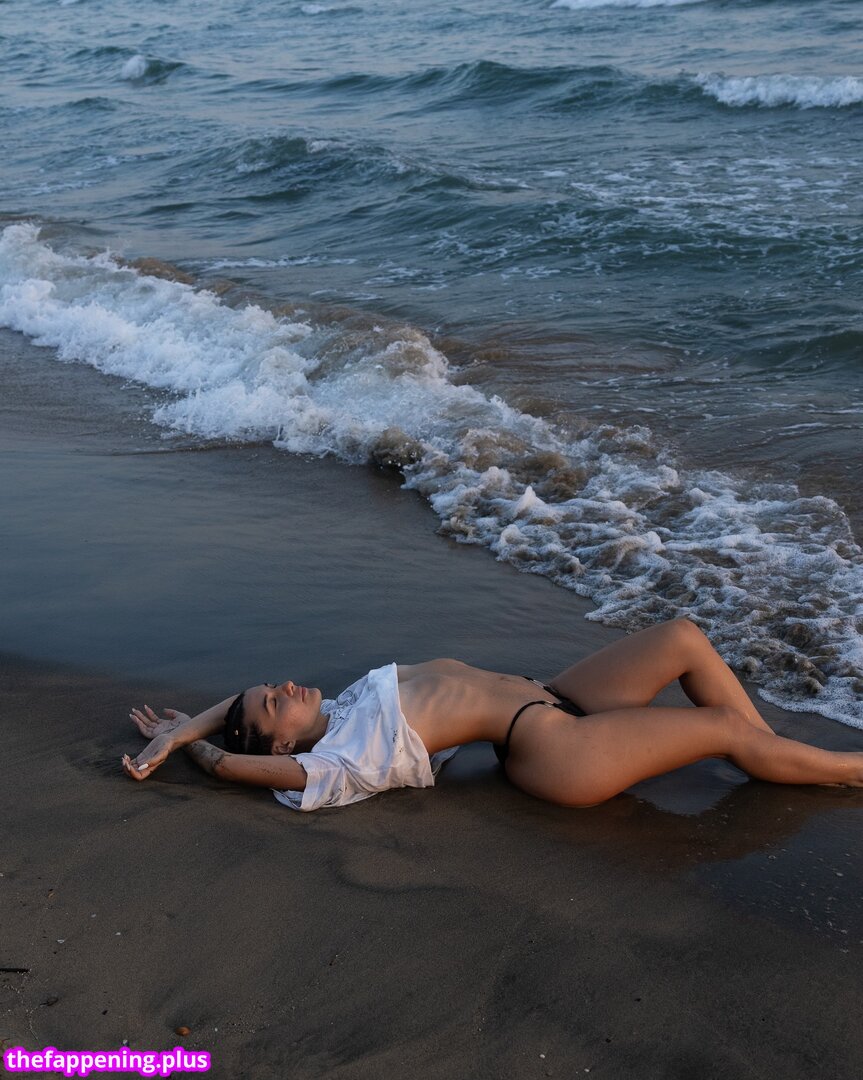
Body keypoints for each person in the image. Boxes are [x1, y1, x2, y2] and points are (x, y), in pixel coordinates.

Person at [122, 618, 863, 811]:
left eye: (272, 686)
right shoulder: (335, 763)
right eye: (273, 702)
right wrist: (196, 753)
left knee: (682, 639)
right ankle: (844, 768)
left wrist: (183, 726)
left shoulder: (343, 708)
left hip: (553, 696)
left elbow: (234, 716)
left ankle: (777, 758)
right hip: (553, 748)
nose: (284, 687)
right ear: (281, 746)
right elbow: (238, 764)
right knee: (722, 732)